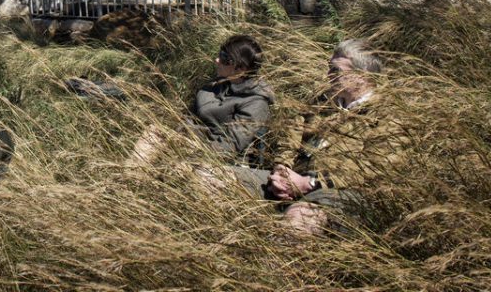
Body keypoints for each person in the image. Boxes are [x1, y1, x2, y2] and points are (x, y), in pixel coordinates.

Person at [227, 38, 401, 235]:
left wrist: (310, 183)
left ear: (362, 76)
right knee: (211, 176)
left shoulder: (389, 114)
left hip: (337, 192)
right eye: (329, 68)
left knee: (299, 220)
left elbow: (372, 169)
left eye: (335, 71)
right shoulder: (321, 101)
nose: (327, 76)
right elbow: (291, 135)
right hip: (291, 181)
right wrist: (281, 169)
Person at [128, 34, 274, 167]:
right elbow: (187, 118)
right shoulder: (214, 86)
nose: (217, 60)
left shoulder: (255, 102)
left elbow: (231, 146)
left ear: (240, 68)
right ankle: (128, 180)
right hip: (190, 141)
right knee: (153, 133)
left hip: (217, 158)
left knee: (180, 167)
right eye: (220, 54)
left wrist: (190, 150)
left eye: (224, 58)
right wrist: (179, 138)